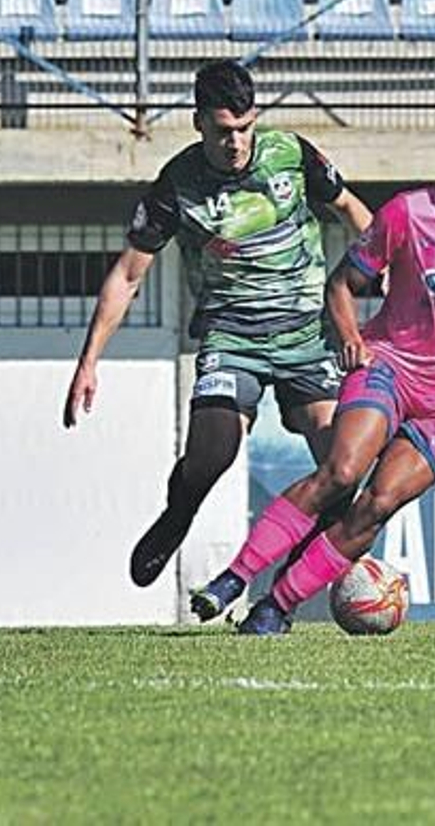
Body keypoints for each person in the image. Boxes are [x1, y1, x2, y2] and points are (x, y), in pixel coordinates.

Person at [191, 96, 435, 634]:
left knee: (378, 504)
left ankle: (277, 607)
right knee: (340, 474)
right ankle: (234, 577)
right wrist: (352, 339)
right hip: (390, 367)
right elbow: (342, 284)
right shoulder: (408, 214)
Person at [62, 60, 373, 588]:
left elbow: (350, 208)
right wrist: (89, 362)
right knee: (215, 449)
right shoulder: (177, 185)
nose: (237, 142)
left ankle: (298, 572)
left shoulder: (292, 156)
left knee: (341, 464)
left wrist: (389, 275)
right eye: (224, 131)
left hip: (306, 334)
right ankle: (178, 514)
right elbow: (128, 275)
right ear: (198, 122)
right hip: (232, 336)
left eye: (246, 127)